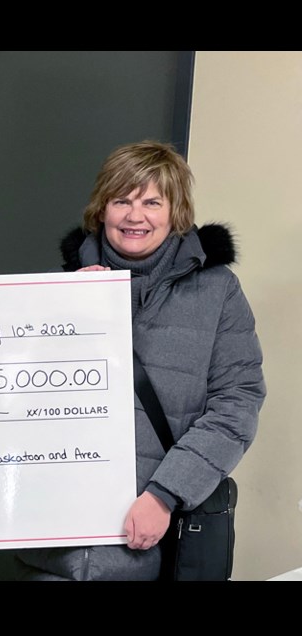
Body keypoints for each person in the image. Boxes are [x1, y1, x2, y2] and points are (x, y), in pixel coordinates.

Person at [15, 140, 265, 580]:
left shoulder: (218, 292)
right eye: (122, 200)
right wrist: (63, 313)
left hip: (153, 540)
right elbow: (12, 394)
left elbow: (237, 404)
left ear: (176, 211)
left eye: (152, 202)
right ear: (102, 209)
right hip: (54, 546)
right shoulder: (56, 290)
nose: (135, 216)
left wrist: (166, 494)